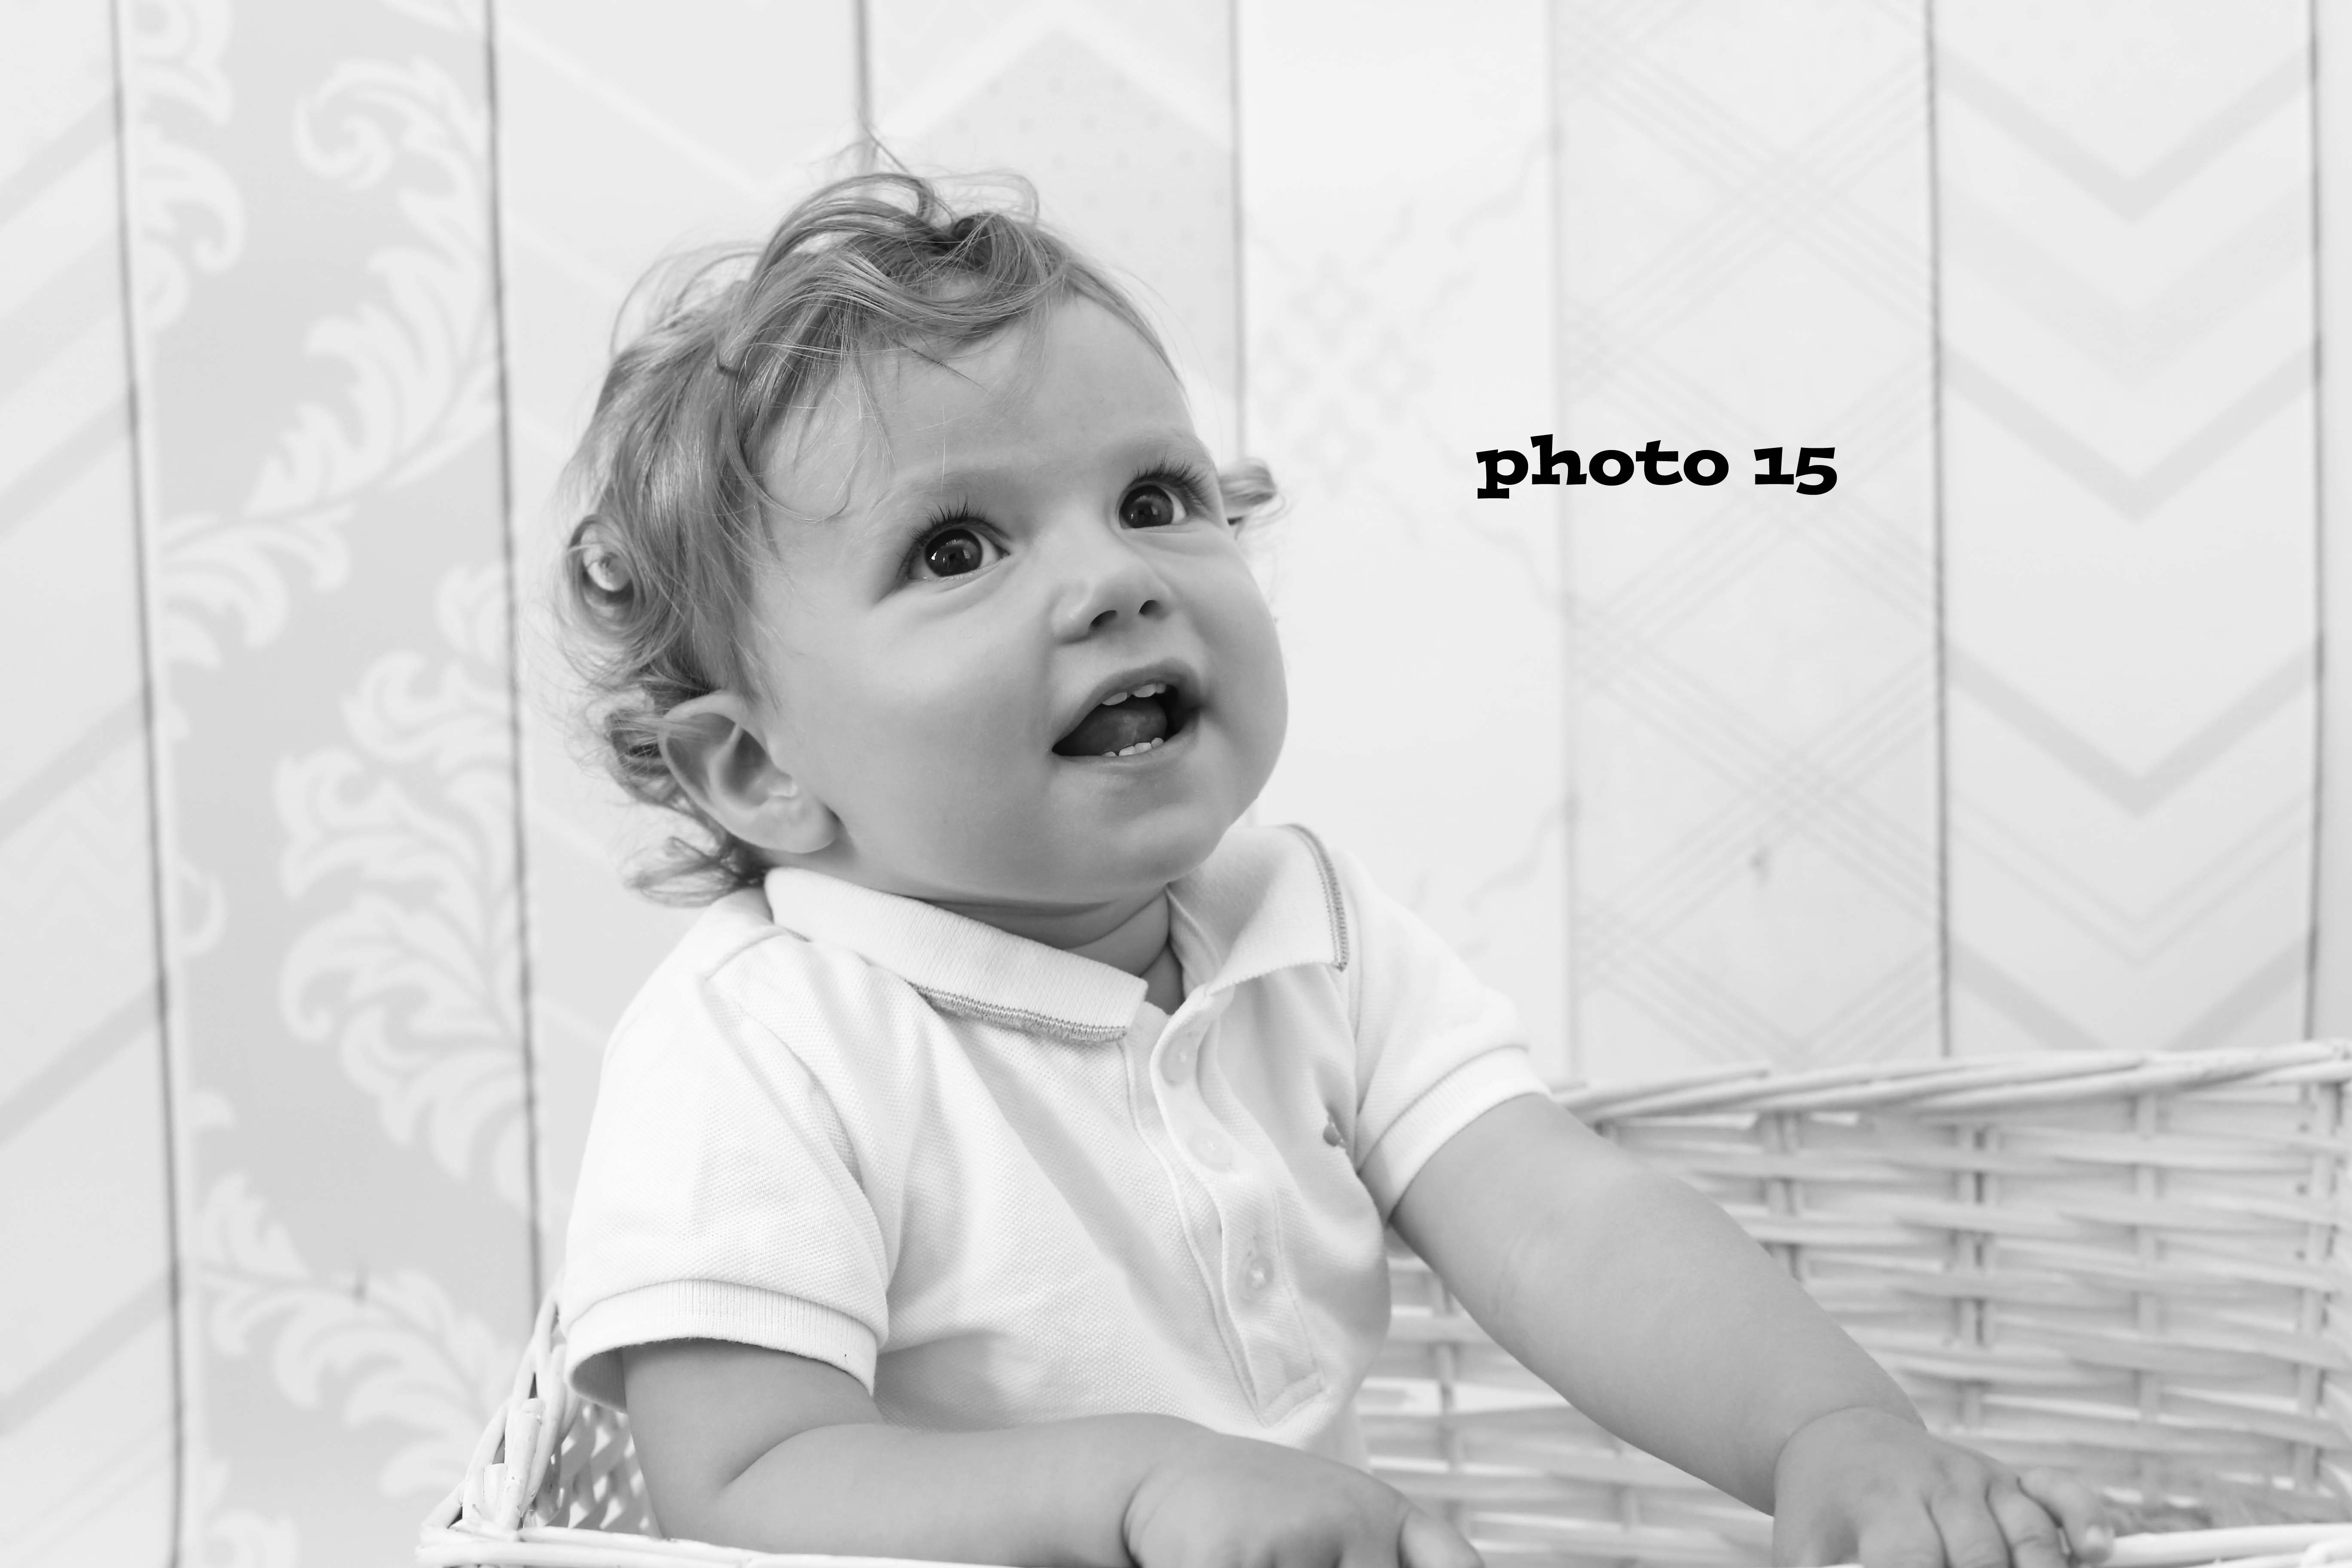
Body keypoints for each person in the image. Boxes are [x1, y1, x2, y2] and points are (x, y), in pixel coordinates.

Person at [553, 169, 2113, 1568]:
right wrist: (1137, 1492)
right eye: (956, 548)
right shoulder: (766, 1045)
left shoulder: (1308, 932)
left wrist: (1827, 1433)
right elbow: (742, 1478)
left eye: (1154, 500)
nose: (1113, 578)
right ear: (760, 769)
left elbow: (1564, 1225)